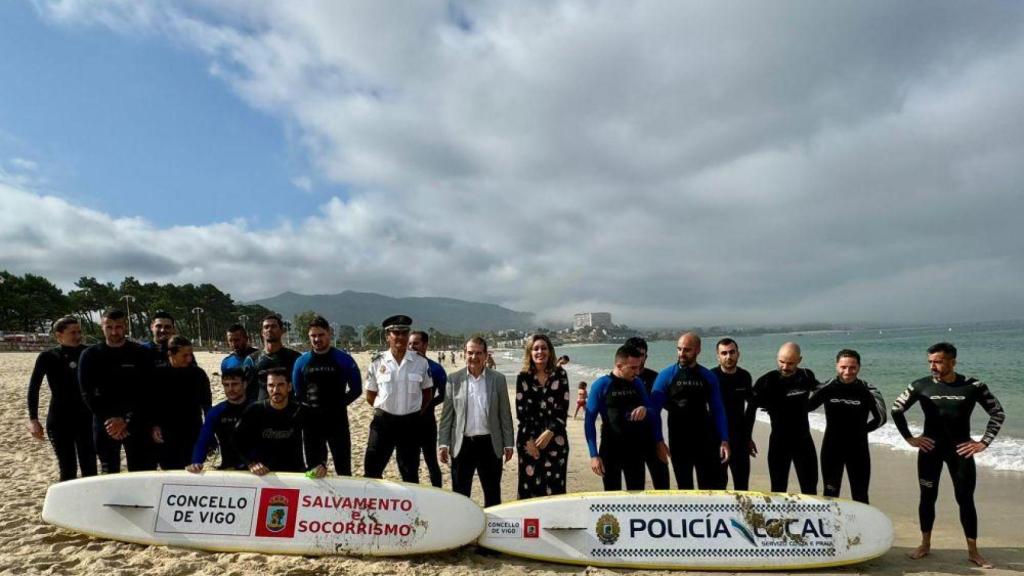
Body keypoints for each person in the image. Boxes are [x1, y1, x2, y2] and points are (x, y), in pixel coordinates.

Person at [892, 342, 1005, 568]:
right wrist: (910, 438)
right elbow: (896, 409)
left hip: (960, 452)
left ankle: (973, 551)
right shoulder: (920, 386)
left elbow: (997, 412)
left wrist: (983, 443)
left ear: (953, 361)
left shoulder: (973, 386)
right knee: (927, 498)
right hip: (930, 450)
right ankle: (925, 544)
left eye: (938, 361)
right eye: (930, 362)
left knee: (965, 500)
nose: (933, 366)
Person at [78, 308, 157, 473]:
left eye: (119, 326)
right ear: (102, 327)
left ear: (125, 326)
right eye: (109, 327)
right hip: (105, 424)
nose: (114, 331)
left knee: (142, 472)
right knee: (109, 473)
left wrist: (126, 420)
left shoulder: (141, 353)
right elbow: (87, 393)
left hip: (137, 421)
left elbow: (148, 391)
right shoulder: (90, 355)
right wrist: (110, 420)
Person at [438, 336, 515, 506]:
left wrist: (509, 443)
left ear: (486, 355)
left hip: (490, 444)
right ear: (464, 354)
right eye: (470, 353)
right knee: (460, 494)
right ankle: (462, 529)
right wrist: (443, 443)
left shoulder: (498, 379)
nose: (474, 357)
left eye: (479, 353)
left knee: (493, 492)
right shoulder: (454, 379)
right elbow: (447, 416)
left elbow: (505, 414)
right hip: (462, 444)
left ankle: (492, 530)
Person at [651, 332, 730, 490]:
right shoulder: (666, 375)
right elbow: (654, 412)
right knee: (684, 486)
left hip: (704, 440)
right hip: (679, 440)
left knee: (707, 487)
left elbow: (718, 409)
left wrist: (724, 439)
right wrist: (658, 440)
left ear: (697, 350)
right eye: (679, 349)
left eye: (687, 350)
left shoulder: (708, 377)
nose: (681, 353)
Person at [807, 349, 885, 503]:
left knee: (860, 494)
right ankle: (832, 526)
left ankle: (862, 527)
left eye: (852, 367)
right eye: (843, 367)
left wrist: (862, 431)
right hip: (831, 448)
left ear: (859, 367)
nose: (848, 372)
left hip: (858, 449)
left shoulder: (868, 390)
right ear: (837, 366)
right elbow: (804, 407)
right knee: (830, 494)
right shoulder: (827, 387)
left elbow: (881, 418)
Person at [585, 344, 667, 491]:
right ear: (619, 365)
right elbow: (589, 422)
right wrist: (593, 455)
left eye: (639, 367)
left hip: (635, 450)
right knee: (612, 496)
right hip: (610, 449)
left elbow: (652, 411)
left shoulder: (637, 383)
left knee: (636, 495)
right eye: (633, 368)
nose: (637, 372)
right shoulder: (601, 385)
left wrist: (645, 410)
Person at [363, 315, 433, 483]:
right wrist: (386, 408)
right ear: (388, 336)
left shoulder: (420, 363)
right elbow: (370, 395)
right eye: (396, 333)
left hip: (410, 424)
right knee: (372, 470)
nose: (400, 337)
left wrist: (414, 412)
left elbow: (427, 394)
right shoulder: (377, 362)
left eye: (404, 333)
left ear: (408, 335)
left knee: (410, 472)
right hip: (383, 423)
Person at [745, 342, 821, 494]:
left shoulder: (806, 375)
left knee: (810, 488)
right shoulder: (767, 381)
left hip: (804, 442)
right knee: (778, 490)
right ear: (777, 358)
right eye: (782, 362)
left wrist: (808, 406)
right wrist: (747, 437)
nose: (785, 367)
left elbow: (822, 393)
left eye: (791, 363)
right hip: (779, 444)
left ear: (799, 360)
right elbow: (750, 410)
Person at [26, 316, 96, 481]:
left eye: (79, 331)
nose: (78, 335)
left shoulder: (89, 353)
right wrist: (33, 419)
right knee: (67, 468)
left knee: (90, 467)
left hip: (86, 419)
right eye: (73, 332)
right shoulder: (48, 356)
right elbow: (34, 388)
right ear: (59, 335)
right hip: (59, 420)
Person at [292, 316, 362, 476]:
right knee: (314, 470)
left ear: (329, 334)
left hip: (337, 421)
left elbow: (356, 389)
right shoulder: (301, 362)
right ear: (309, 337)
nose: (317, 339)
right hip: (311, 423)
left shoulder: (344, 359)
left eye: (321, 335)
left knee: (343, 469)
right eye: (313, 336)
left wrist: (339, 404)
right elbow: (298, 393)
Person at [234, 367, 326, 477]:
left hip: (296, 474)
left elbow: (319, 443)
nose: (275, 390)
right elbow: (236, 441)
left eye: (281, 385)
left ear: (289, 387)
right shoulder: (255, 410)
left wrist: (321, 464)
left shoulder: (303, 411)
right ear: (266, 388)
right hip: (264, 474)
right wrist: (250, 463)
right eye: (271, 385)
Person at [515, 334, 570, 498]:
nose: (540, 352)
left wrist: (550, 431)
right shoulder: (523, 377)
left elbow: (563, 408)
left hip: (556, 439)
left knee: (555, 489)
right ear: (530, 352)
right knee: (528, 489)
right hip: (529, 440)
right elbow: (522, 412)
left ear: (550, 351)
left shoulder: (560, 374)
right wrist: (529, 439)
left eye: (544, 348)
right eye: (536, 348)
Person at [151, 336, 212, 469]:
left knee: (193, 471)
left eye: (191, 354)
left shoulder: (198, 374)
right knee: (171, 472)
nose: (189, 359)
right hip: (166, 433)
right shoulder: (158, 375)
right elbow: (150, 405)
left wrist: (209, 432)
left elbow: (207, 405)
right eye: (184, 355)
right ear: (170, 354)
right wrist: (154, 426)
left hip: (192, 431)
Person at [625, 336, 671, 489]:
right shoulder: (619, 379)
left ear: (646, 356)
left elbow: (669, 405)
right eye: (634, 353)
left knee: (663, 486)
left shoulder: (655, 377)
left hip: (653, 439)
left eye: (642, 354)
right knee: (635, 489)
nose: (639, 357)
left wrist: (660, 440)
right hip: (629, 442)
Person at [712, 338, 756, 491]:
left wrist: (748, 437)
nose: (728, 357)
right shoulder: (711, 377)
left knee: (742, 487)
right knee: (718, 486)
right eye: (724, 353)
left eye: (732, 352)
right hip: (716, 440)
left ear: (738, 354)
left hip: (740, 440)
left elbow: (750, 410)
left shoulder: (745, 376)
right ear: (718, 356)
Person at [187, 368, 249, 472]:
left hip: (258, 469)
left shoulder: (257, 409)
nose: (230, 389)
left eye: (235, 384)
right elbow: (203, 440)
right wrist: (196, 461)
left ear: (245, 384)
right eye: (226, 385)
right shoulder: (217, 412)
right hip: (229, 468)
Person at [409, 330, 448, 488]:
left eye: (416, 343)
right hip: (407, 424)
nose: (412, 347)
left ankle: (437, 493)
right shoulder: (405, 368)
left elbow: (444, 394)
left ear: (425, 345)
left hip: (427, 423)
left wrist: (429, 404)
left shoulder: (436, 369)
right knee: (411, 464)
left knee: (431, 461)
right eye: (410, 344)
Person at [242, 314, 301, 402]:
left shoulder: (295, 358)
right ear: (262, 332)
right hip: (261, 411)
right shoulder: (252, 360)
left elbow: (301, 388)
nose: (269, 329)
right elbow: (245, 390)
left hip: (289, 411)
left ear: (281, 331)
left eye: (273, 326)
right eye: (266, 327)